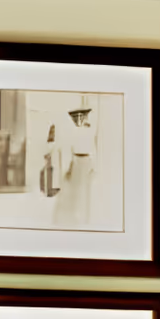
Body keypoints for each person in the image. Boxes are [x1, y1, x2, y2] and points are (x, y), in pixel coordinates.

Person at [52, 97, 97, 230]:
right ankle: (73, 218)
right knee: (73, 191)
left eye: (81, 116)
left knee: (85, 191)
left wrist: (93, 165)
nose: (79, 119)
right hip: (76, 161)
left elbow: (93, 148)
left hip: (86, 161)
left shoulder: (89, 131)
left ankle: (84, 219)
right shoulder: (74, 132)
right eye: (76, 117)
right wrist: (70, 166)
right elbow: (70, 149)